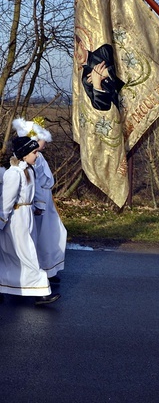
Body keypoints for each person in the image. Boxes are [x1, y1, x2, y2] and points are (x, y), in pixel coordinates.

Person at [0, 136, 61, 305]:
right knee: (26, 255)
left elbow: (34, 193)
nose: (36, 155)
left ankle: (4, 286)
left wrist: (37, 207)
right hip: (16, 220)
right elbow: (6, 201)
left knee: (17, 255)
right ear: (24, 154)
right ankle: (41, 291)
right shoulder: (13, 173)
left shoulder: (29, 170)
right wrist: (1, 221)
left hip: (27, 217)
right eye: (34, 152)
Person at [12, 117, 67, 284]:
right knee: (42, 237)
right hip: (39, 202)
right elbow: (35, 182)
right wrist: (40, 204)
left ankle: (50, 268)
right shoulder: (33, 160)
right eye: (43, 139)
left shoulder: (38, 157)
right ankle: (43, 270)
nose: (45, 143)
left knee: (53, 235)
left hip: (46, 201)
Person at [75, 33, 125, 111]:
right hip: (125, 110)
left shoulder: (104, 51)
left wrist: (107, 72)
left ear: (81, 45)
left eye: (76, 49)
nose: (76, 54)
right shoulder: (85, 79)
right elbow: (102, 106)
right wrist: (97, 85)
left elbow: (126, 64)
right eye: (73, 54)